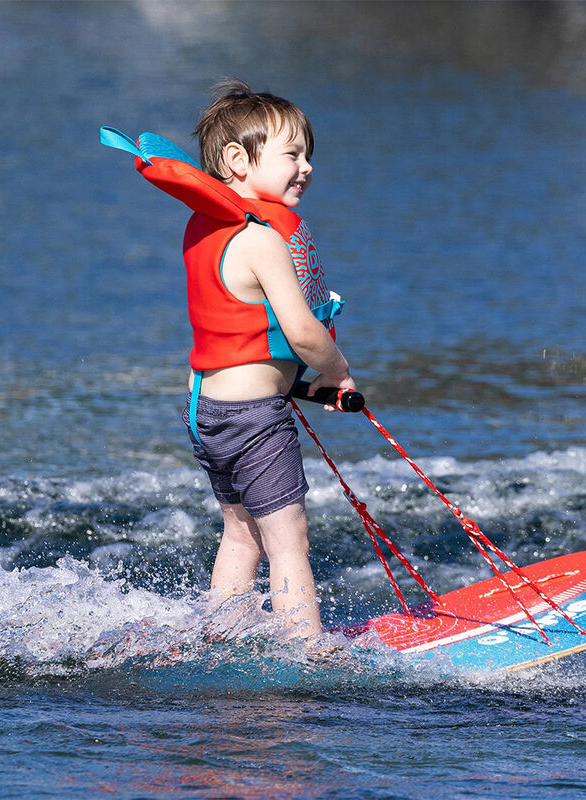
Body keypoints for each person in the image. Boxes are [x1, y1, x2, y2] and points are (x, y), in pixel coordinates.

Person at [179, 80, 355, 637]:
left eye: (309, 155)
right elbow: (302, 333)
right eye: (291, 155)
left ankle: (217, 634)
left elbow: (235, 339)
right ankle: (306, 649)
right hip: (256, 419)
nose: (305, 167)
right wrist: (338, 373)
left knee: (241, 532)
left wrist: (296, 389)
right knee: (288, 539)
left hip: (205, 411)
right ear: (237, 160)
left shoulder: (203, 229)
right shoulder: (262, 240)